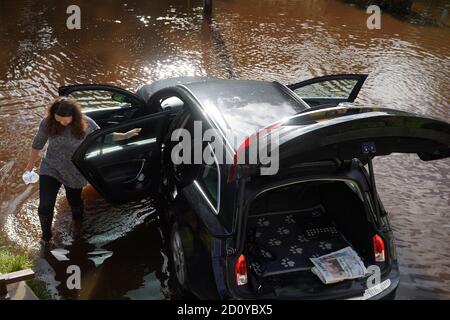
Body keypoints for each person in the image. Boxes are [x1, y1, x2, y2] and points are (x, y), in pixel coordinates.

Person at [25, 96, 141, 245]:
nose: (62, 123)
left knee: (75, 203)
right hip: (51, 166)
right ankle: (46, 238)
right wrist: (30, 165)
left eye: (65, 120)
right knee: (45, 205)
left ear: (74, 115)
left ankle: (78, 228)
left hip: (75, 170)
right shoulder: (48, 123)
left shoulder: (86, 124)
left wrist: (125, 135)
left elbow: (102, 138)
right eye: (58, 119)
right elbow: (37, 144)